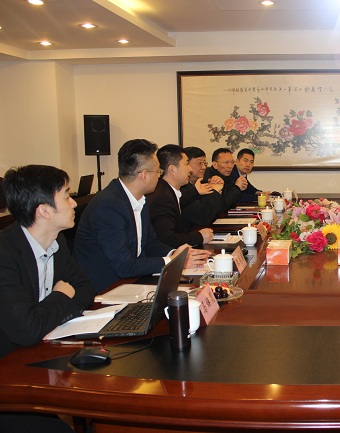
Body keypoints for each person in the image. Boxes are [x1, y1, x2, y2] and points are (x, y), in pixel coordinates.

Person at [0, 165, 95, 433]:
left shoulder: (57, 241)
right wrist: (60, 296)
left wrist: (50, 312)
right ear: (44, 210)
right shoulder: (5, 254)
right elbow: (26, 329)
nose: (74, 203)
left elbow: (86, 288)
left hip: (37, 359)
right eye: (66, 195)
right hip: (9, 381)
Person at [74, 139, 209, 293]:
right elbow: (123, 265)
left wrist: (176, 255)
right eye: (158, 172)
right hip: (105, 290)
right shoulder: (108, 205)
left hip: (131, 282)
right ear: (144, 175)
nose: (159, 177)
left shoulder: (139, 198)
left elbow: (150, 243)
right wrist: (171, 261)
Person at [146, 145, 213, 248]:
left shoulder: (167, 190)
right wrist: (199, 236)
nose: (190, 169)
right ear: (172, 170)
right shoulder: (162, 197)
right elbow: (166, 239)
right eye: (186, 164)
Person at [179, 146, 227, 231]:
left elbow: (219, 211)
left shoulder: (202, 183)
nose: (204, 167)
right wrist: (214, 191)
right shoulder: (182, 189)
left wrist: (216, 189)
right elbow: (204, 218)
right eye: (199, 163)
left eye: (205, 163)